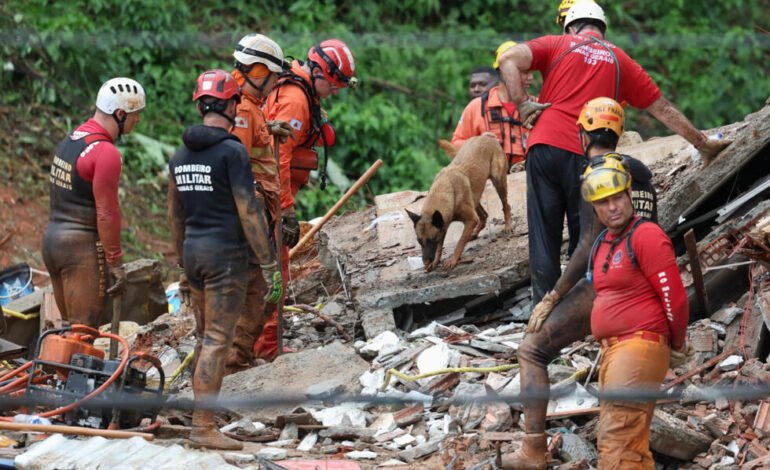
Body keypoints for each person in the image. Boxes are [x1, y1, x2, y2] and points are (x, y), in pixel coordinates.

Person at [497, 1, 730, 306]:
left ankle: (542, 318)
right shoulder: (621, 59)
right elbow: (663, 109)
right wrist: (703, 143)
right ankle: (582, 313)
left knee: (544, 236)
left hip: (544, 146)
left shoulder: (557, 44)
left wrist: (522, 104)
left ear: (571, 26)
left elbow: (508, 59)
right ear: (603, 28)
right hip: (588, 156)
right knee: (587, 238)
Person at [500, 98, 664, 470]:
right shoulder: (641, 174)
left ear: (583, 132)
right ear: (618, 133)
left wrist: (554, 295)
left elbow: (589, 244)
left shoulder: (597, 172)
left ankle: (533, 451)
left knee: (532, 350)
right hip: (644, 285)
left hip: (609, 282)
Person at [168, 69, 282, 450]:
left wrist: (181, 263)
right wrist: (267, 261)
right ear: (232, 105)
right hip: (225, 258)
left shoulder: (180, 156)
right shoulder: (232, 150)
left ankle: (198, 417)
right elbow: (249, 211)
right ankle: (203, 427)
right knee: (218, 340)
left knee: (204, 338)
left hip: (194, 254)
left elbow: (175, 216)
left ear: (201, 106)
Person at [582, 154, 689, 467]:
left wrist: (678, 342)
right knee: (631, 444)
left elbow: (676, 298)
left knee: (617, 444)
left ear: (630, 195)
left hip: (638, 346)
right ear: (594, 207)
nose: (612, 207)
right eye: (603, 202)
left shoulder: (646, 235)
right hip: (616, 352)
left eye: (617, 198)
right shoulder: (604, 241)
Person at [257, 39, 357, 360]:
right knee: (276, 272)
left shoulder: (298, 91)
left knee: (268, 271)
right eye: (334, 84)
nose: (336, 91)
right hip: (266, 198)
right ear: (317, 72)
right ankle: (267, 347)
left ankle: (257, 342)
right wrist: (285, 209)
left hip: (262, 194)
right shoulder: (296, 99)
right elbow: (279, 158)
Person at [43, 77, 145, 327]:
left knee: (69, 329)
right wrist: (116, 261)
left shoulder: (72, 139)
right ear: (120, 113)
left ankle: (58, 367)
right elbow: (106, 213)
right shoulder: (105, 152)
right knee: (82, 334)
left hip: (53, 243)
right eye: (135, 114)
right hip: (81, 251)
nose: (137, 120)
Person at [226, 33, 295, 371]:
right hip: (251, 214)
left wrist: (268, 127)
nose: (273, 85)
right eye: (271, 76)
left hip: (256, 212)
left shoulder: (249, 109)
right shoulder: (241, 110)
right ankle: (237, 358)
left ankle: (242, 354)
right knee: (262, 287)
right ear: (257, 71)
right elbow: (236, 165)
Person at [452, 41, 532, 169]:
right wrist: (478, 145)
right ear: (504, 71)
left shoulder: (538, 106)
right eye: (523, 72)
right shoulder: (477, 107)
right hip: (489, 183)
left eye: (529, 71)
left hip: (528, 180)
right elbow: (455, 146)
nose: (530, 77)